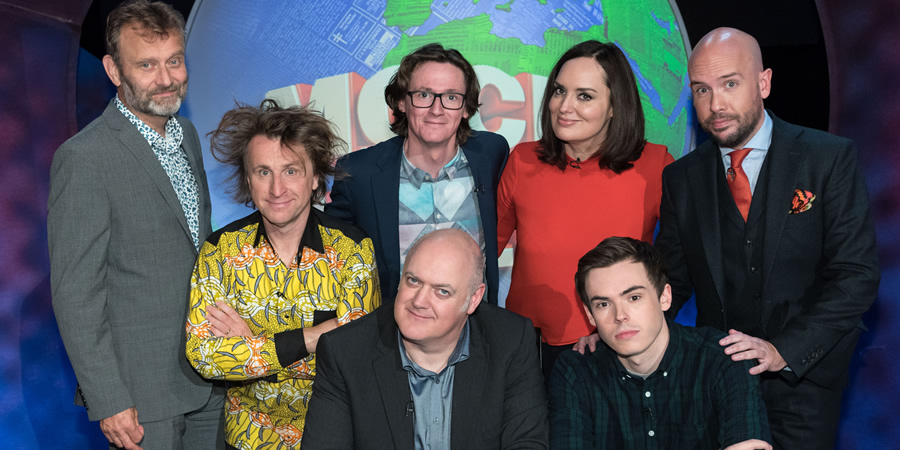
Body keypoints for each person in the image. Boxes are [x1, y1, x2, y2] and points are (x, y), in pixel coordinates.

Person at [654, 27, 880, 448]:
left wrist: (783, 351)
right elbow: (672, 281)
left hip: (805, 383)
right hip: (719, 382)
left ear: (764, 82)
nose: (715, 104)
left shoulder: (827, 158)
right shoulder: (681, 179)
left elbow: (856, 276)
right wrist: (626, 324)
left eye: (730, 84)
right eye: (701, 90)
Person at [48, 1, 224, 448]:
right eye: (146, 65)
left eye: (174, 61)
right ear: (112, 70)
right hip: (140, 397)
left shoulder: (186, 136)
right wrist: (108, 398)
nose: (166, 79)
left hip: (210, 375)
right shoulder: (84, 159)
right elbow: (76, 293)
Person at [185, 100, 380, 449]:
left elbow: (357, 361)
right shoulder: (220, 252)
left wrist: (251, 347)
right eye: (263, 172)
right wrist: (313, 337)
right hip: (247, 440)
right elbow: (205, 356)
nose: (277, 189)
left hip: (332, 437)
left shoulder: (353, 252)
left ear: (316, 176)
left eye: (291, 171)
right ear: (248, 179)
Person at [497, 40, 674, 379]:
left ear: (614, 106)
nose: (564, 106)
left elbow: (683, 261)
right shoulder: (522, 160)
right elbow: (483, 251)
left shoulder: (655, 165)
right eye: (559, 91)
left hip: (615, 347)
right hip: (528, 351)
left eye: (585, 96)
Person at [302, 229, 548, 449]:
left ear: (474, 299)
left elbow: (526, 442)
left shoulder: (511, 340)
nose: (419, 302)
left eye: (442, 291)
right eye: (413, 281)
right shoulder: (344, 352)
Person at [326, 43, 508, 305]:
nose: (437, 109)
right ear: (401, 102)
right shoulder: (359, 174)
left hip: (479, 331)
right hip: (392, 334)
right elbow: (330, 255)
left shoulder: (491, 154)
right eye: (424, 95)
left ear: (467, 108)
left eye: (451, 97)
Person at [550, 237, 772, 449]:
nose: (620, 315)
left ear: (664, 297)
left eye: (633, 297)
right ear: (590, 315)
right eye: (604, 304)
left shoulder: (723, 359)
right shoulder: (575, 371)